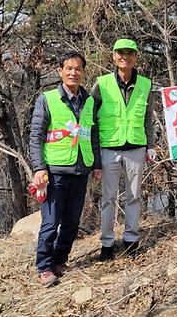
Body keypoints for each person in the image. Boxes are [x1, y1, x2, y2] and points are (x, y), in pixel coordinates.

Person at [28, 51, 101, 287]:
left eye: (78, 68)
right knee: (51, 221)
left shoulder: (88, 100)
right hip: (56, 170)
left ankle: (60, 260)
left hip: (81, 170)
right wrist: (39, 168)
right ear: (60, 71)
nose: (73, 72)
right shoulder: (47, 99)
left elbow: (93, 135)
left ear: (83, 72)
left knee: (71, 221)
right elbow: (36, 135)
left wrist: (96, 164)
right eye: (68, 68)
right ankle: (44, 267)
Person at [92, 39, 155, 261]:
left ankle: (130, 240)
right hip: (109, 148)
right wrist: (95, 153)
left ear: (136, 57)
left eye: (129, 53)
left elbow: (148, 117)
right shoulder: (102, 84)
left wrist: (151, 145)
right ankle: (107, 244)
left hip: (136, 148)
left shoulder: (145, 85)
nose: (124, 57)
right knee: (109, 198)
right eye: (120, 53)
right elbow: (91, 118)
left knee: (134, 196)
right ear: (113, 56)